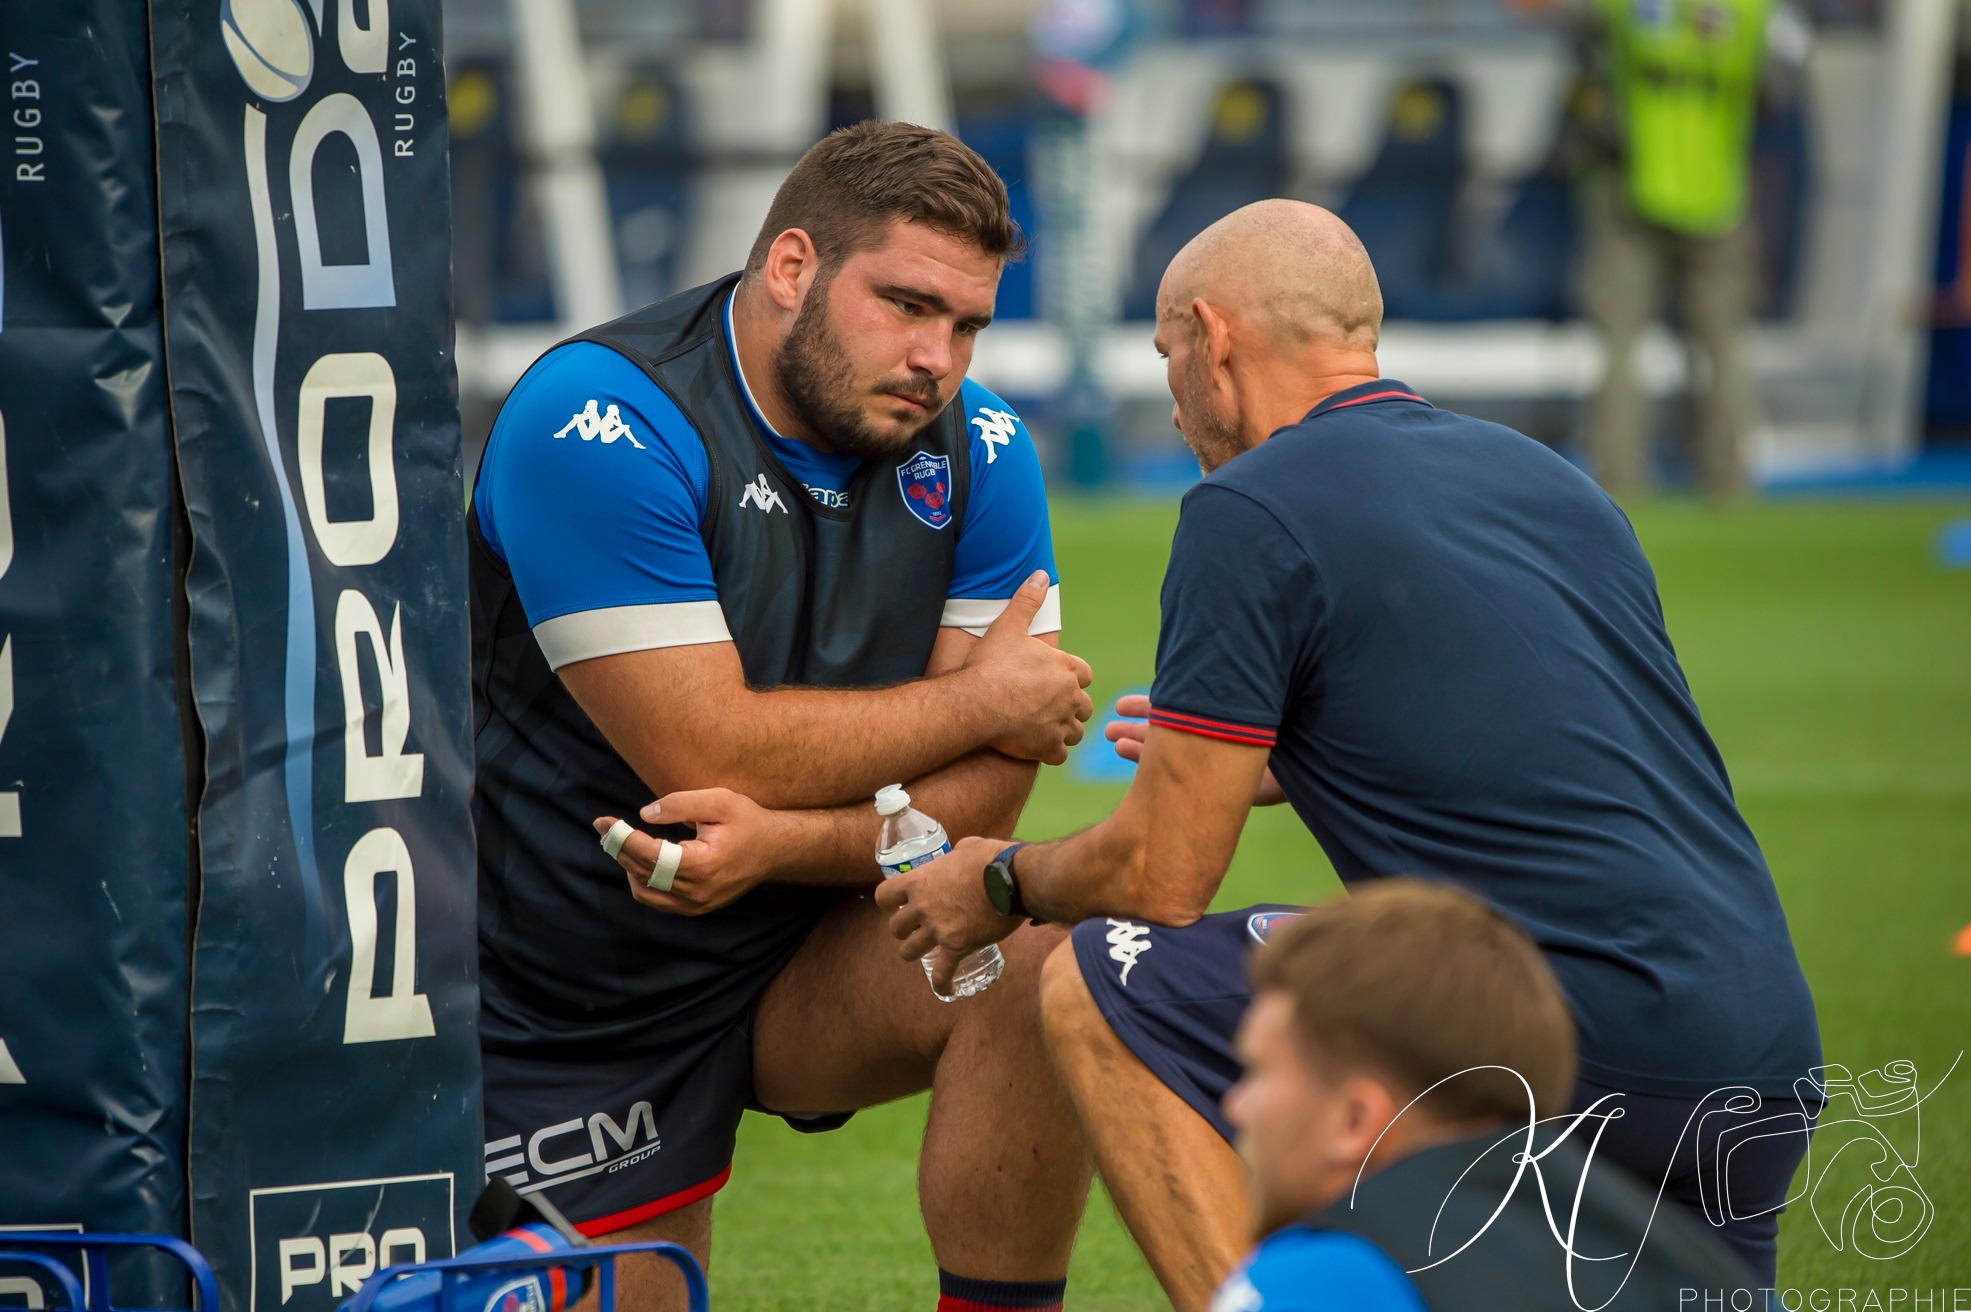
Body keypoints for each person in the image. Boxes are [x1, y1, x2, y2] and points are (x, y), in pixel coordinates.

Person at [871, 200, 1822, 1307]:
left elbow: (1159, 879)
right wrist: (1316, 752)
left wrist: (996, 878)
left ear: (1215, 340)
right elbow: (1579, 737)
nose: (1177, 406)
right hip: (1756, 1056)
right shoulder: (1553, 480)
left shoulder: (1248, 507)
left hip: (1553, 1041)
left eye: (1170, 357)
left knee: (1104, 976)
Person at [471, 122, 1096, 1312]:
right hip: (568, 981)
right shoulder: (601, 416)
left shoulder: (990, 451)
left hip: (812, 946)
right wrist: (976, 699)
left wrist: (787, 847)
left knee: (1031, 956)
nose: (938, 358)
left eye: (965, 324)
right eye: (906, 305)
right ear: (793, 267)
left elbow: (993, 789)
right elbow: (709, 749)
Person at [1211, 879, 1753, 1312]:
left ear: (1355, 1119)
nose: (1235, 1105)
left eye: (1258, 1073)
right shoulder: (1691, 1265)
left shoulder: (1326, 1275)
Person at [1569, 0, 1783, 495]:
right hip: (1718, 192)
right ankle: (1727, 477)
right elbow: (1775, 93)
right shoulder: (1752, 11)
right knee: (1722, 344)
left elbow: (1563, 23)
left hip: (1635, 185)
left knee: (1620, 342)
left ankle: (1619, 476)